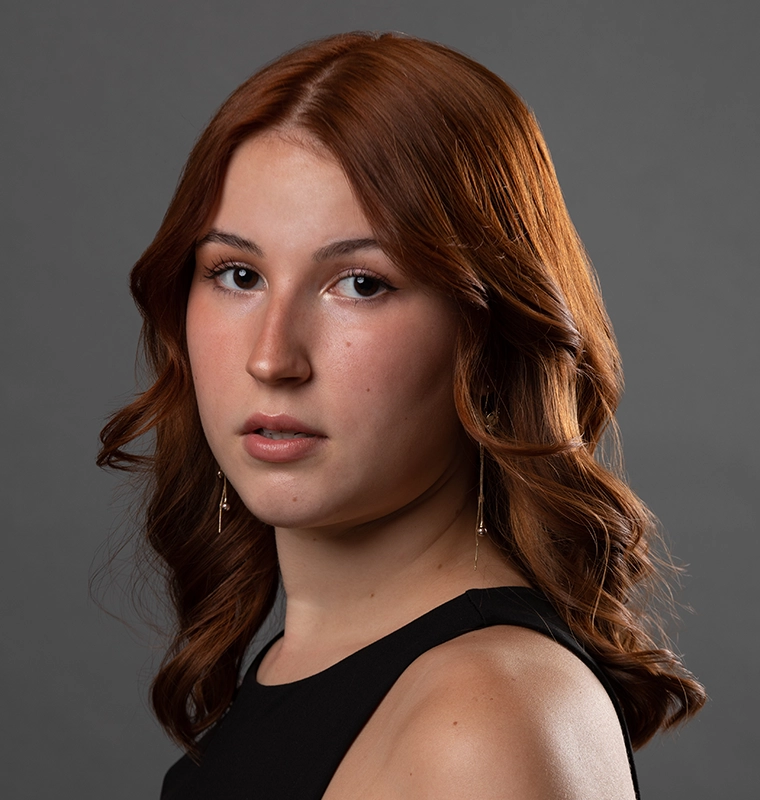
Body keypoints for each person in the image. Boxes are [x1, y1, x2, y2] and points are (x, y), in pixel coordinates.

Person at [98, 31, 705, 799]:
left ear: (487, 336)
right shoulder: (310, 661)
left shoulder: (482, 720)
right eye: (238, 274)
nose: (271, 357)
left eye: (360, 284)